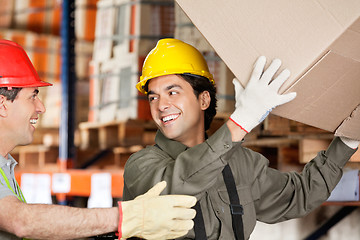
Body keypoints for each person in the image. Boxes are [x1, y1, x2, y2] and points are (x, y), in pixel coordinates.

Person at [122, 38, 360, 240]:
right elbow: (177, 188)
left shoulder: (241, 164)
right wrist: (242, 120)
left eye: (172, 92)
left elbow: (298, 196)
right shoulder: (141, 166)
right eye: (153, 97)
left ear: (203, 100)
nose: (161, 105)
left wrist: (348, 140)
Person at [0, 39, 197, 240]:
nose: (41, 107)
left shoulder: (5, 166)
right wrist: (126, 217)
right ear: (2, 104)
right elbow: (21, 221)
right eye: (33, 96)